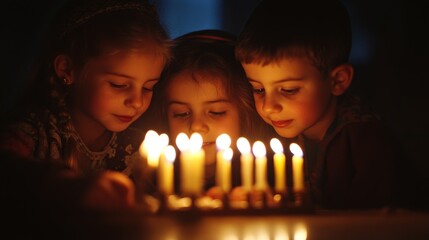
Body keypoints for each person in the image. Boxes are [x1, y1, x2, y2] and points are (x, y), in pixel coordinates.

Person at [0, 0, 171, 210]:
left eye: (148, 87)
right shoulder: (35, 131)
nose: (136, 102)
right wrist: (63, 185)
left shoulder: (139, 147)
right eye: (119, 85)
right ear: (67, 70)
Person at [235, 0, 396, 209]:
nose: (268, 106)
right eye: (258, 89)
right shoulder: (265, 135)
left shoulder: (364, 140)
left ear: (337, 80)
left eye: (289, 90)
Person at [138, 29, 276, 197]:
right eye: (181, 114)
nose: (196, 126)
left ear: (245, 113)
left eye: (216, 112)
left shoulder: (272, 174)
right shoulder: (147, 178)